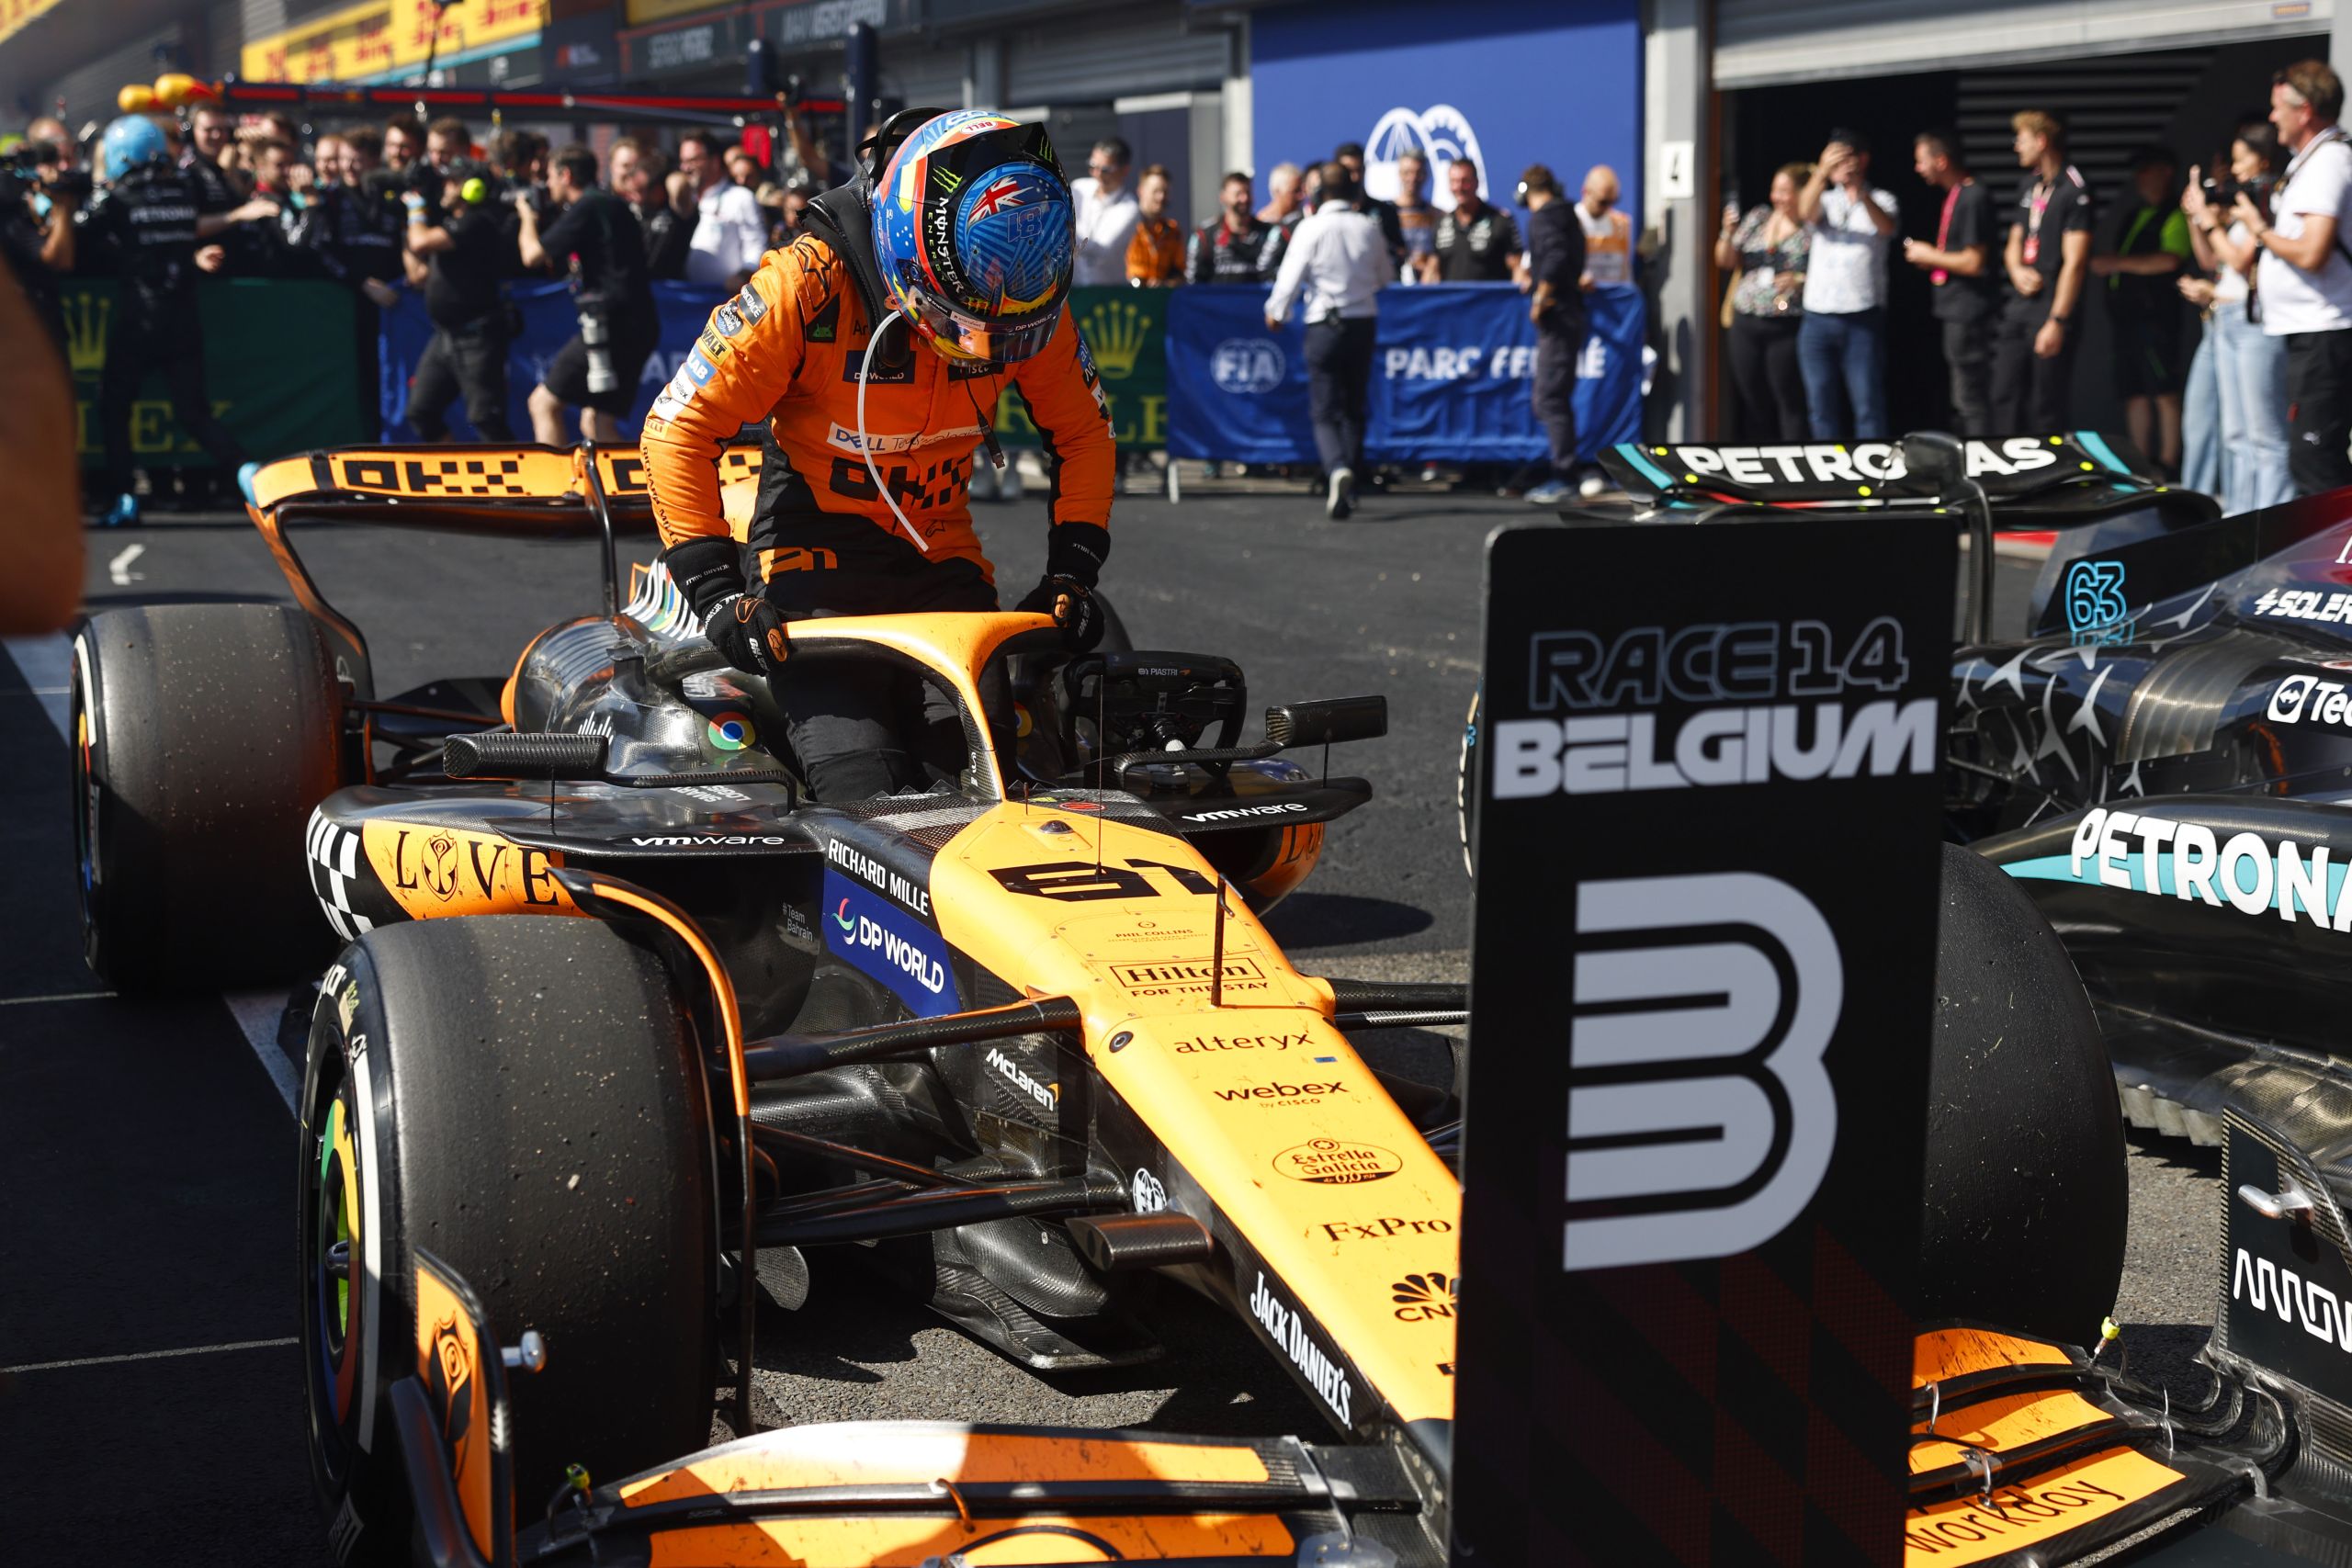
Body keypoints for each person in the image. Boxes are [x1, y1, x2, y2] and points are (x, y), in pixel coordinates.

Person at [639, 108, 1114, 804]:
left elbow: (1084, 431)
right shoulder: (803, 285)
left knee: (984, 776)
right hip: (813, 563)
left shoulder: (1023, 290)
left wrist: (1073, 573)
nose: (983, 344)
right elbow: (676, 427)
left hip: (944, 562)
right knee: (861, 781)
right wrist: (717, 597)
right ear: (904, 245)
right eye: (964, 316)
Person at [83, 117, 256, 525]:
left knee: (113, 407)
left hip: (139, 319)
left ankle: (124, 495)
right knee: (194, 412)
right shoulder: (184, 187)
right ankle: (248, 472)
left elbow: (85, 235)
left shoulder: (120, 196)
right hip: (183, 317)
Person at [2245, 60, 2352, 496]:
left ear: (2304, 110)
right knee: (2312, 457)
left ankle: (2329, 565)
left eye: (2278, 108)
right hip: (2314, 332)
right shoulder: (2312, 161)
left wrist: (2260, 231)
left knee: (2315, 462)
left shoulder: (2328, 161)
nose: (2272, 118)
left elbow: (2312, 251)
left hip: (2325, 332)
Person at [1265, 161, 1387, 521]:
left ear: (1319, 194)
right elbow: (1385, 277)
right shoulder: (1368, 227)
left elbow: (1289, 279)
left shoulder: (1311, 228)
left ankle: (1336, 468)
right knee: (1353, 406)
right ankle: (1350, 476)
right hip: (1362, 322)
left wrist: (1276, 312)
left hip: (1324, 325)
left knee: (1323, 408)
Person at [2182, 122, 2290, 513]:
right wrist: (2198, 218)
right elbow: (2212, 259)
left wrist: (2210, 222)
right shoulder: (2245, 203)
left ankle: (2273, 519)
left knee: (2265, 433)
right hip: (2227, 317)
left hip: (2254, 322)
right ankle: (2242, 518)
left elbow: (2240, 261)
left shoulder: (2266, 199)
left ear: (2262, 160)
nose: (2235, 169)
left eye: (2241, 160)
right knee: (2235, 433)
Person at [517, 144, 658, 445]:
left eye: (551, 177)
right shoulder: (612, 204)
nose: (548, 185)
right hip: (634, 324)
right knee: (596, 421)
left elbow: (532, 255)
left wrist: (526, 216)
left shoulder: (588, 206)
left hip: (613, 327)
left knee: (542, 404)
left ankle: (558, 493)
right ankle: (619, 492)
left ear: (566, 175)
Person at [2087, 146, 2192, 473]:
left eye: (2147, 170)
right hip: (2126, 318)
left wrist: (2117, 263)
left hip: (2156, 318)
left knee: (2163, 390)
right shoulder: (2135, 213)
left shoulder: (2175, 214)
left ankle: (2169, 461)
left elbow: (2170, 259)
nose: (2140, 178)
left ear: (2165, 172)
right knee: (2133, 391)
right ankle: (2140, 463)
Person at [1992, 110, 2094, 433]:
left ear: (2041, 140)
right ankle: (2003, 474)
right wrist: (2016, 269)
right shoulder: (2029, 184)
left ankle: (2050, 478)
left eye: (2020, 139)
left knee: (2045, 402)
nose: (2015, 147)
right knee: (2003, 392)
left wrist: (2057, 321)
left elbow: (2075, 262)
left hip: (2051, 307)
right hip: (2020, 306)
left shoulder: (2074, 189)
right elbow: (2014, 241)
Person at [401, 152, 514, 441]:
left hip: (477, 337)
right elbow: (417, 271)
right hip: (445, 337)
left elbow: (421, 241)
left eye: (452, 182)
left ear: (470, 188)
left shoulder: (478, 222)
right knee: (421, 411)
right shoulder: (451, 222)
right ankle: (454, 482)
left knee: (486, 419)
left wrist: (416, 211)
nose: (445, 188)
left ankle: (514, 483)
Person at [1794, 129, 1899, 439]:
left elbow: (1887, 226)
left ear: (1862, 159)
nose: (1840, 166)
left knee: (1867, 403)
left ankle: (1872, 473)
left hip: (1862, 318)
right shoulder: (1825, 199)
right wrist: (1821, 173)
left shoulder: (1882, 198)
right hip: (1817, 318)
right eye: (1834, 159)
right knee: (1820, 404)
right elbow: (1804, 213)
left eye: (1845, 158)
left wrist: (1860, 191)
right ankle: (1826, 473)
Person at [1905, 130, 2001, 434]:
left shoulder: (1972, 196)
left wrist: (1930, 255)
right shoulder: (1957, 194)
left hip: (1968, 311)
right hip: (1956, 309)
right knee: (1962, 396)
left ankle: (1980, 466)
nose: (1918, 169)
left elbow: (1974, 262)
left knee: (1970, 396)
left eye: (1922, 161)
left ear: (1941, 160)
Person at [1716, 164, 1813, 444]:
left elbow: (1827, 272)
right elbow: (1725, 261)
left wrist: (1799, 279)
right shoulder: (1759, 217)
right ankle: (1757, 459)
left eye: (1785, 191)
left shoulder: (1811, 228)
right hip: (1746, 319)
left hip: (1785, 322)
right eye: (1775, 190)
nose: (1777, 197)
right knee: (1751, 396)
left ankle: (1793, 458)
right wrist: (1727, 233)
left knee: (1788, 396)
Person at [1517, 164, 1587, 505]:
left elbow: (1557, 256)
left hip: (1559, 317)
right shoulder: (1566, 215)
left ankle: (1565, 474)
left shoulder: (1544, 218)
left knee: (1549, 398)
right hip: (1568, 315)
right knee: (1553, 397)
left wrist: (1541, 297)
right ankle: (1564, 471)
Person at [678, 130, 766, 288]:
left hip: (726, 302)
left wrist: (742, 276)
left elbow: (757, 246)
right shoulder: (684, 200)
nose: (686, 168)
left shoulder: (740, 197)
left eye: (693, 160)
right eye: (683, 161)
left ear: (714, 161)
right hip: (686, 300)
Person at [1432, 159, 1521, 281]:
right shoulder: (1441, 224)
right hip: (1452, 300)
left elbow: (1517, 267)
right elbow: (1433, 271)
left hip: (1489, 300)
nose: (1459, 187)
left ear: (1477, 183)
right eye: (1454, 181)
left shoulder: (1500, 221)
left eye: (1465, 181)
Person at [1071, 136, 1138, 288]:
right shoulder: (1078, 188)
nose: (1097, 174)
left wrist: (1062, 231)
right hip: (1073, 290)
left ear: (1124, 170)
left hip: (1108, 293)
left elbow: (1102, 251)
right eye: (1092, 166)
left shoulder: (1129, 208)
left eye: (1105, 170)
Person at [1188, 170, 1275, 283]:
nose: (1244, 199)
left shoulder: (1268, 233)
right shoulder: (1205, 235)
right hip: (1217, 300)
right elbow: (1194, 281)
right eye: (1238, 194)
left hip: (1257, 300)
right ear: (1223, 197)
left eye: (1248, 193)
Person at [1576, 165, 1634, 289]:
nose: (1608, 207)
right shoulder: (1569, 222)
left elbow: (1625, 271)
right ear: (1585, 192)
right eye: (1603, 202)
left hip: (1613, 304)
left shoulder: (1622, 224)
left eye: (1613, 201)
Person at [1125, 164, 1184, 285]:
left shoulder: (1172, 231)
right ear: (1141, 191)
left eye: (1165, 192)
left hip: (1160, 298)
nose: (1161, 197)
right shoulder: (1126, 227)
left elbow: (1179, 273)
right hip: (1126, 296)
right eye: (1156, 191)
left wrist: (1165, 283)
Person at [1391, 150, 1438, 282]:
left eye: (1418, 173)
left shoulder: (1437, 215)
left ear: (1426, 175)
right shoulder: (1387, 214)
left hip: (1428, 287)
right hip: (1396, 287)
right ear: (1399, 174)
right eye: (1407, 173)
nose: (1413, 178)